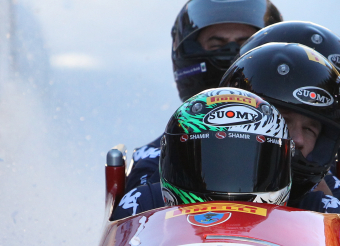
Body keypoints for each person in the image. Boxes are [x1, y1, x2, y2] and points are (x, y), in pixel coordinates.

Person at [125, 0, 283, 191]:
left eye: (246, 43)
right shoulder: (151, 160)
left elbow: (330, 212)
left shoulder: (300, 150)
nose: (233, 53)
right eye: (217, 44)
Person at [112, 88, 296, 221]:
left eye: (243, 162)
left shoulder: (310, 208)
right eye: (214, 162)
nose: (228, 173)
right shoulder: (141, 203)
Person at [219, 42, 340, 212]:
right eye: (284, 121)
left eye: (309, 130)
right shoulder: (187, 172)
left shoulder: (321, 207)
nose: (298, 139)